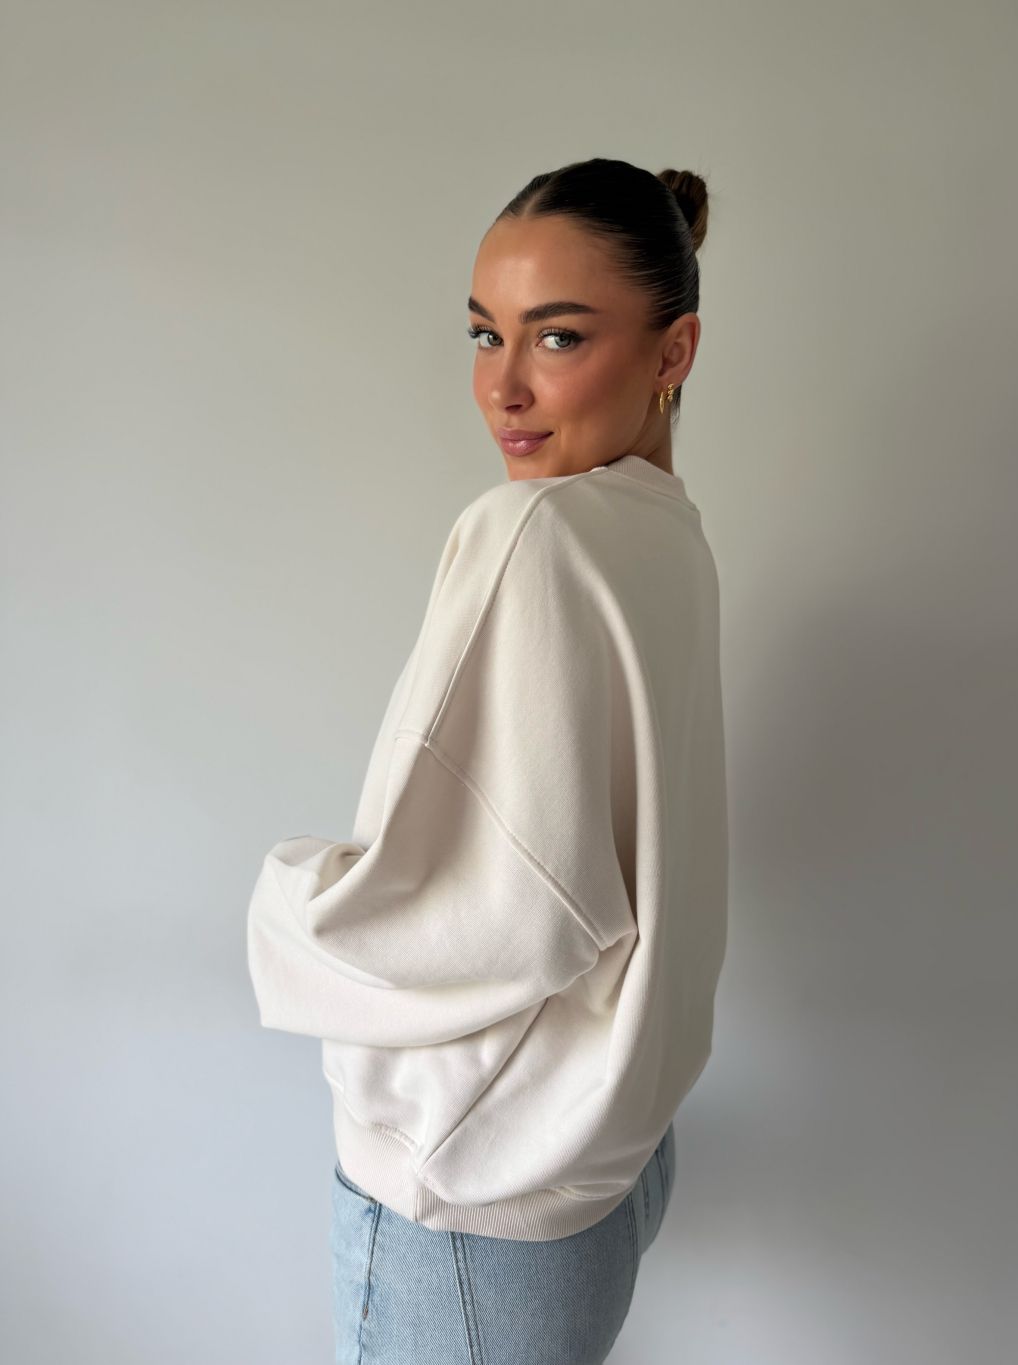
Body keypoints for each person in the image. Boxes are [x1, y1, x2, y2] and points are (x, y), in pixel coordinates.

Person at [247, 155, 729, 1365]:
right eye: (484, 333)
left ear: (672, 352)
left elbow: (491, 909)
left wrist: (286, 903)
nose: (501, 388)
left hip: (474, 1196)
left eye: (557, 338)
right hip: (602, 1161)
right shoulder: (664, 533)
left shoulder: (535, 532)